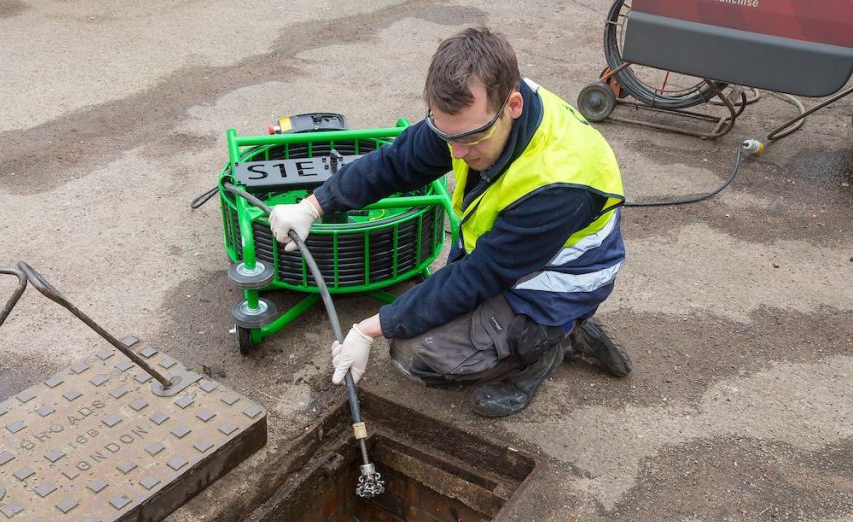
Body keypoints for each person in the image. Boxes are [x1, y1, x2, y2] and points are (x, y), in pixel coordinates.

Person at [269, 26, 631, 417]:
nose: (456, 152)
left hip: (560, 281)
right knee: (423, 318)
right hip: (507, 258)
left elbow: (477, 277)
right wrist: (314, 205)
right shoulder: (478, 108)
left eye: (472, 138)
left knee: (418, 356)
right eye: (447, 135)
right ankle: (544, 331)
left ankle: (547, 343)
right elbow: (398, 162)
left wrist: (367, 330)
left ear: (513, 105)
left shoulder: (560, 182)